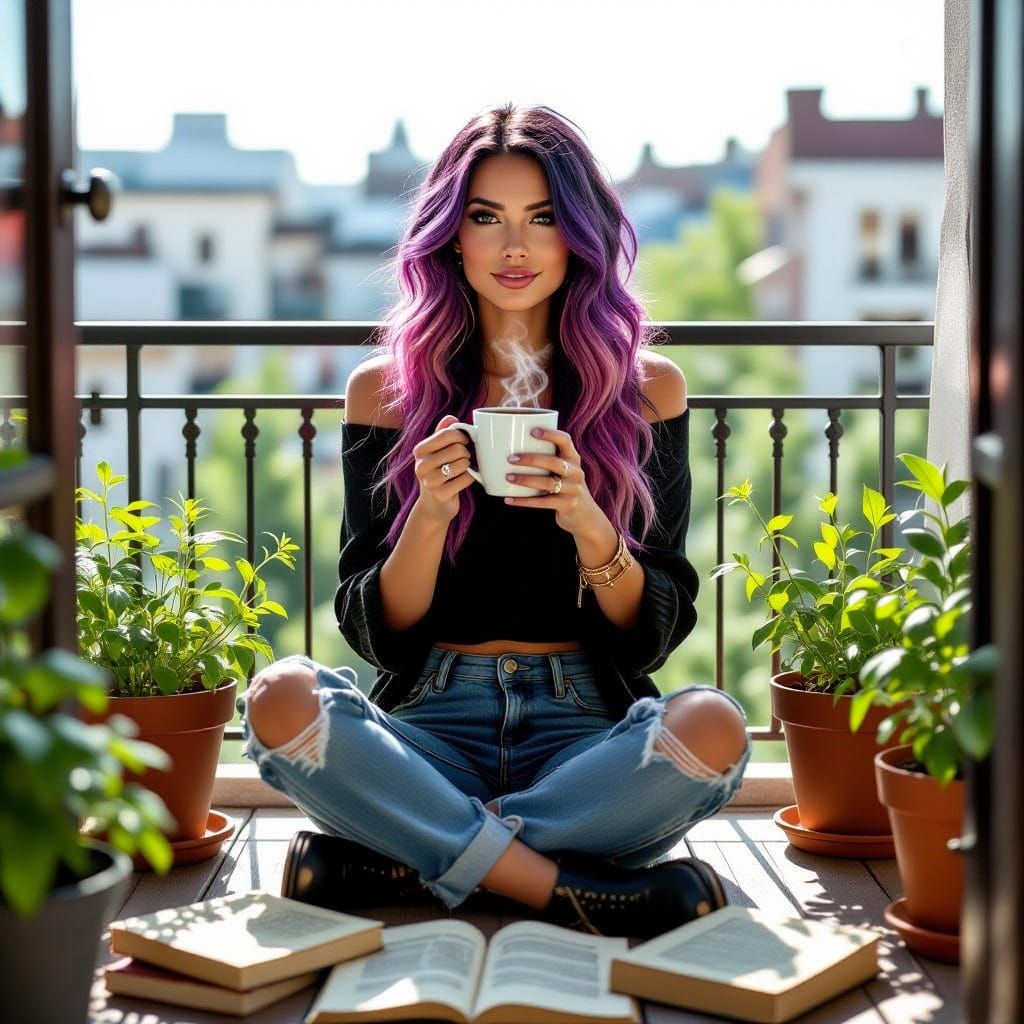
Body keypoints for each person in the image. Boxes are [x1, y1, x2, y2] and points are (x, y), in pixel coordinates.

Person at [237, 104, 752, 939]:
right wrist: (428, 517)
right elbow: (377, 636)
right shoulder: (386, 391)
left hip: (583, 733)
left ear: (578, 235)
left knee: (713, 727)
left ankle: (405, 859)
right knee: (283, 696)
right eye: (487, 218)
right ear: (452, 236)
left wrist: (590, 524)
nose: (515, 247)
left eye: (542, 219)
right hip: (430, 725)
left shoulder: (644, 388)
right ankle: (563, 888)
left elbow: (652, 638)